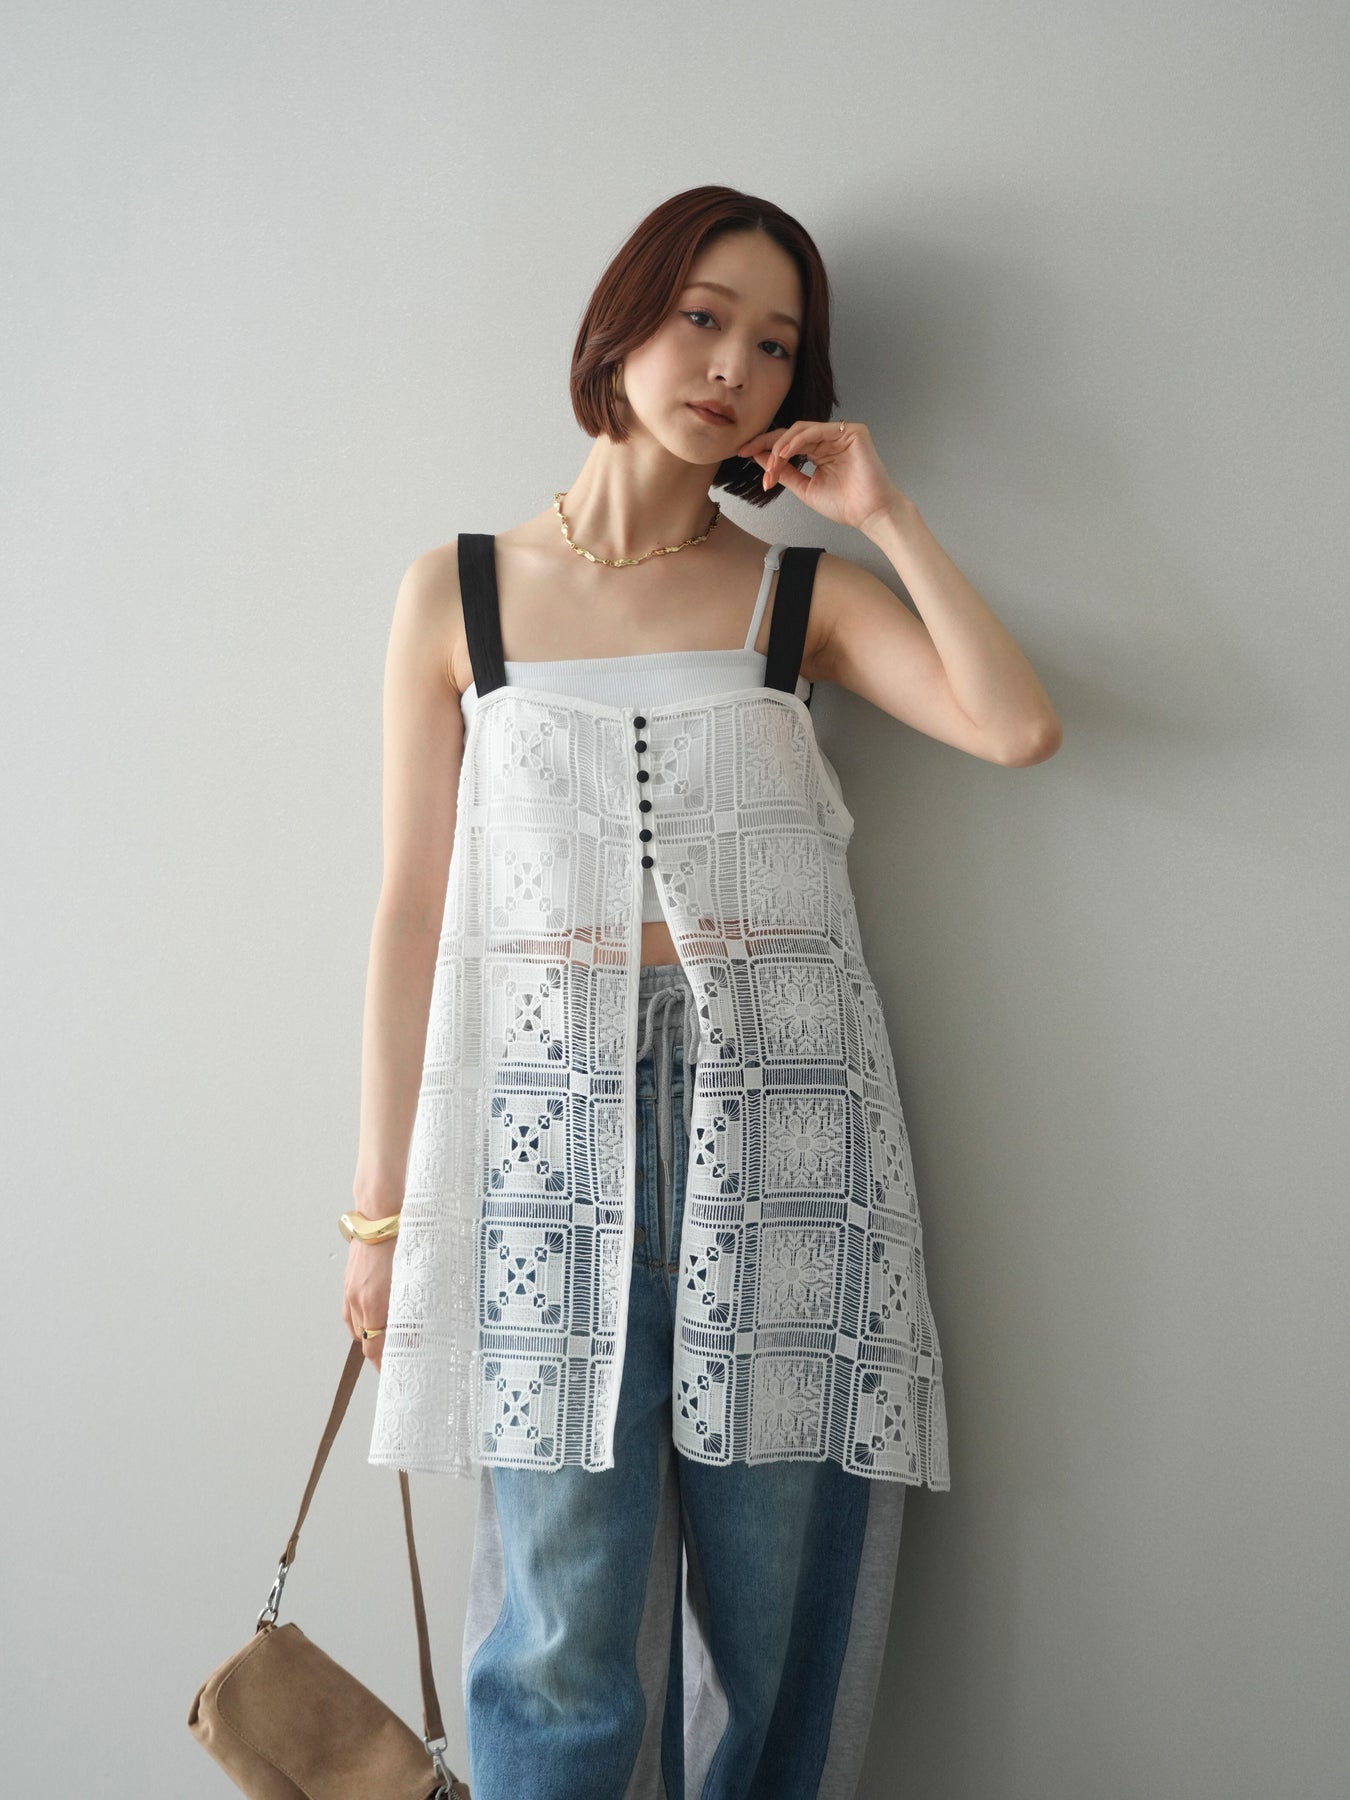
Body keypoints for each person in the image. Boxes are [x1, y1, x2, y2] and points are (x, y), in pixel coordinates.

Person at [341, 185, 1062, 1799]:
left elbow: (1014, 728)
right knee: (559, 1627)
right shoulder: (455, 592)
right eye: (701, 317)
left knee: (770, 1618)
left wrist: (883, 515)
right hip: (540, 1136)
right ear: (622, 319)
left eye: (774, 345)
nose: (732, 365)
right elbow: (411, 911)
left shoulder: (795, 597)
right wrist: (379, 1210)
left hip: (784, 1136)